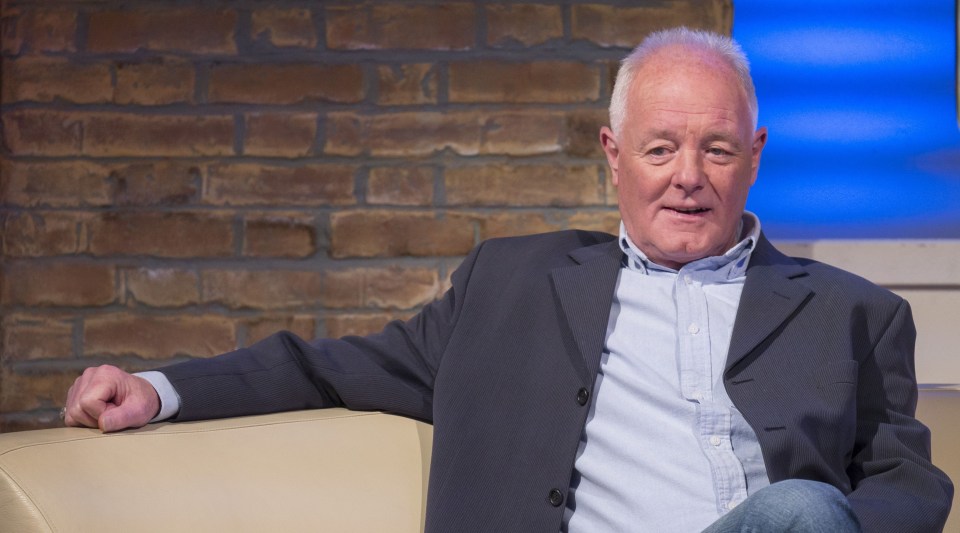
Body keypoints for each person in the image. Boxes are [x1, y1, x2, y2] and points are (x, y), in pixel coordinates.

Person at [64, 27, 953, 532]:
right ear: (613, 156)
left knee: (797, 511)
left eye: (716, 149)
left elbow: (909, 484)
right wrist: (157, 388)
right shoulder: (511, 285)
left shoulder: (850, 312)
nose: (689, 174)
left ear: (754, 157)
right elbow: (322, 364)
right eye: (660, 148)